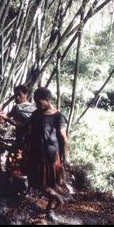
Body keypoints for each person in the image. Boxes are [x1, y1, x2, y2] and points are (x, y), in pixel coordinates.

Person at [28, 87, 69, 220]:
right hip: (36, 154)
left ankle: (50, 209)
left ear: (47, 100)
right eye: (35, 102)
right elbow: (24, 127)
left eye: (39, 102)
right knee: (37, 183)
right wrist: (7, 119)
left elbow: (64, 139)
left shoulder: (58, 117)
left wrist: (66, 159)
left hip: (51, 155)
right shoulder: (36, 114)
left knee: (49, 184)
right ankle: (58, 198)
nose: (37, 105)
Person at [0, 85, 36, 194]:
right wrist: (1, 116)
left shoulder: (34, 109)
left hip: (30, 141)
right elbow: (4, 119)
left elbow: (24, 125)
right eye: (15, 96)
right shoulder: (16, 108)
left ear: (26, 94)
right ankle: (15, 188)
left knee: (27, 164)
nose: (17, 98)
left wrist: (8, 119)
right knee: (13, 163)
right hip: (19, 140)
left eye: (19, 95)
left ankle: (27, 189)